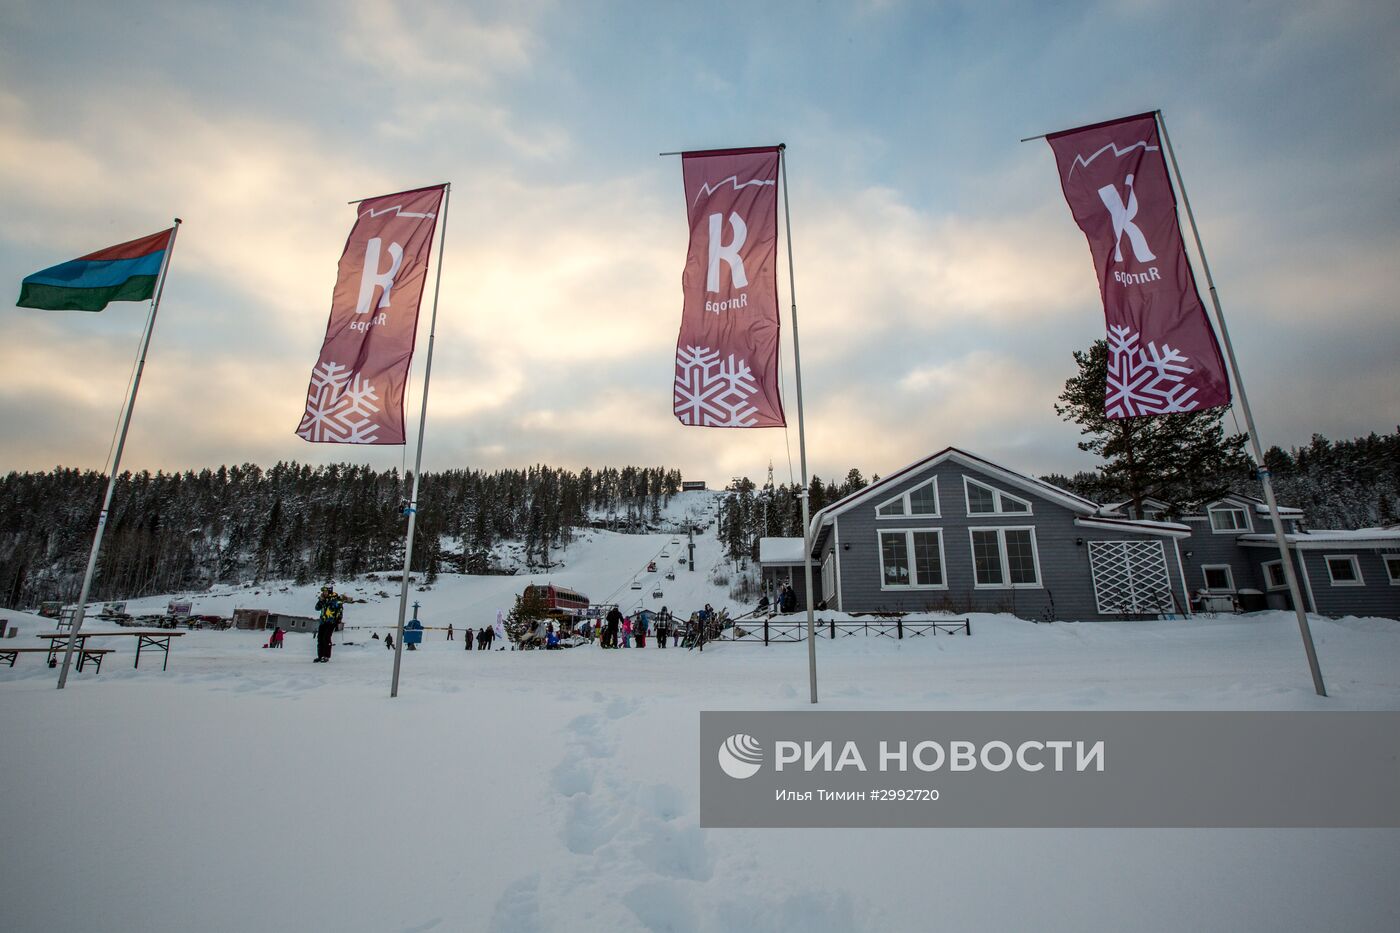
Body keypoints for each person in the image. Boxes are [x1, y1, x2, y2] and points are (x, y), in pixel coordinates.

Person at [314, 586, 340, 663]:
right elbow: (317, 608)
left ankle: (326, 656)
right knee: (320, 638)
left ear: (329, 591)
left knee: (326, 638)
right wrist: (321, 601)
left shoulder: (335, 599)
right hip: (323, 622)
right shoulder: (323, 599)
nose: (324, 593)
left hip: (331, 622)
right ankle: (320, 656)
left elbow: (339, 610)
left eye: (325, 591)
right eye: (323, 591)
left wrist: (337, 620)